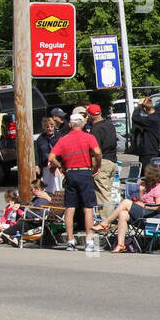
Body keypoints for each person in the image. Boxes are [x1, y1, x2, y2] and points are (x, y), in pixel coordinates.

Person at [47, 112, 103, 253]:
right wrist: (97, 165)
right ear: (83, 123)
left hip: (71, 172)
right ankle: (89, 240)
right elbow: (97, 152)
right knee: (88, 207)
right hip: (85, 172)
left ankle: (70, 241)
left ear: (70, 125)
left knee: (70, 207)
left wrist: (60, 166)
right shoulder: (89, 137)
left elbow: (51, 156)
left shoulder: (63, 139)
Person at [94, 164, 160, 253]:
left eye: (147, 174)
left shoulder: (159, 187)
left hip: (154, 216)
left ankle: (105, 223)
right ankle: (121, 245)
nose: (145, 176)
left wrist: (141, 205)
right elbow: (143, 201)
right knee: (123, 214)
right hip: (145, 213)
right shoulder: (149, 187)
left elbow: (158, 207)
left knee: (126, 202)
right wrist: (141, 191)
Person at [86, 104, 118, 218]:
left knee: (103, 194)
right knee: (107, 191)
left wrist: (95, 167)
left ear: (90, 115)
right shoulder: (110, 125)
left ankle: (107, 222)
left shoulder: (96, 129)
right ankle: (108, 219)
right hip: (113, 162)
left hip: (102, 162)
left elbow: (96, 151)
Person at [34, 117, 64, 192]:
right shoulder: (40, 139)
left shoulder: (59, 137)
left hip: (58, 165)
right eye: (47, 127)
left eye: (51, 126)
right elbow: (37, 153)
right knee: (49, 187)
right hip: (46, 166)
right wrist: (37, 165)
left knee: (59, 187)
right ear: (44, 128)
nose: (49, 129)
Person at [132, 98, 160, 165]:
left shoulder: (150, 120)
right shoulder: (157, 116)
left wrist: (139, 106)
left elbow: (135, 118)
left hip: (148, 152)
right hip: (152, 150)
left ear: (144, 109)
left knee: (147, 173)